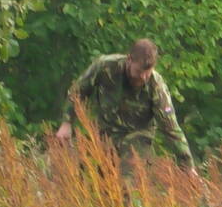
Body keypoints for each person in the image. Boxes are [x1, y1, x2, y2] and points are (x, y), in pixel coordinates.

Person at [55, 38, 194, 173]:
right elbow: (78, 91)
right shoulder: (105, 67)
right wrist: (67, 123)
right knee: (77, 172)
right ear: (129, 59)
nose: (143, 77)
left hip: (138, 138)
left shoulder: (156, 87)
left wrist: (188, 166)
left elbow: (170, 127)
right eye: (139, 71)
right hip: (105, 133)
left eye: (148, 72)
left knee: (127, 179)